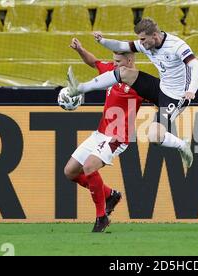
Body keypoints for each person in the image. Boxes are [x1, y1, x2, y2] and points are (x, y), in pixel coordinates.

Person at [67, 18, 198, 169]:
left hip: (176, 96)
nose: (141, 43)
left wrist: (191, 89)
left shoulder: (177, 46)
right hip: (161, 86)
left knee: (154, 136)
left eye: (143, 39)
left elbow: (197, 67)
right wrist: (102, 41)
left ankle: (182, 145)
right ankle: (79, 88)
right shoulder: (146, 43)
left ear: (155, 36)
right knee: (123, 72)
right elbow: (120, 45)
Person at [64, 38, 143, 232]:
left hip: (118, 136)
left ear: (130, 61)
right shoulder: (112, 72)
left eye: (118, 62)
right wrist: (80, 49)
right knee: (70, 171)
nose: (114, 65)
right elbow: (93, 62)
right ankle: (110, 195)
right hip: (101, 133)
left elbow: (160, 97)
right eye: (113, 61)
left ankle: (101, 217)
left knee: (89, 166)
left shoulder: (139, 83)